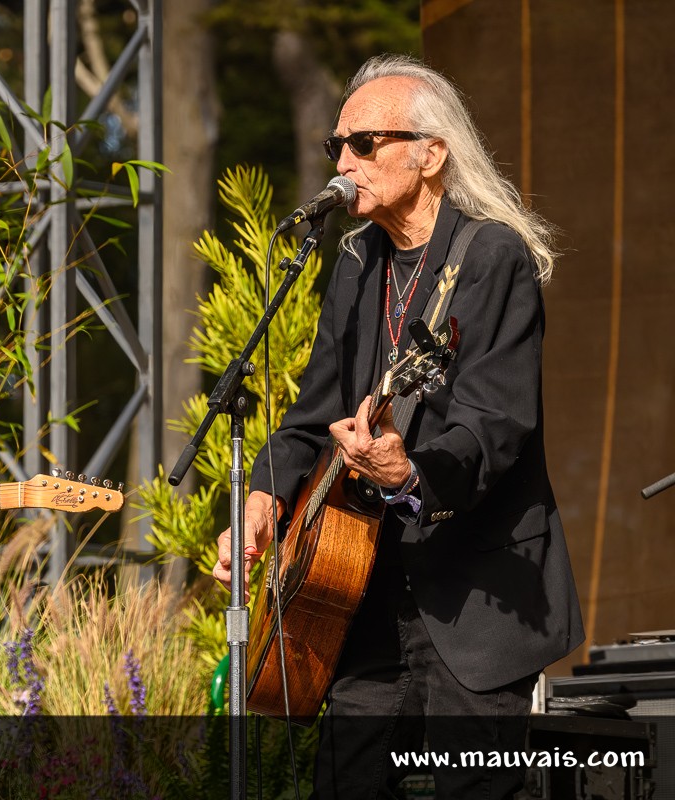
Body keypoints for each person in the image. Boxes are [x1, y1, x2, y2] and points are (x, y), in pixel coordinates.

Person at [214, 54, 584, 798]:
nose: (345, 163)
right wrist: (264, 497)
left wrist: (409, 473)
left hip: (478, 598)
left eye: (364, 144)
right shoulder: (354, 265)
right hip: (359, 595)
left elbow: (494, 425)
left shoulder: (492, 258)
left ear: (431, 153)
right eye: (336, 149)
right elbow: (312, 417)